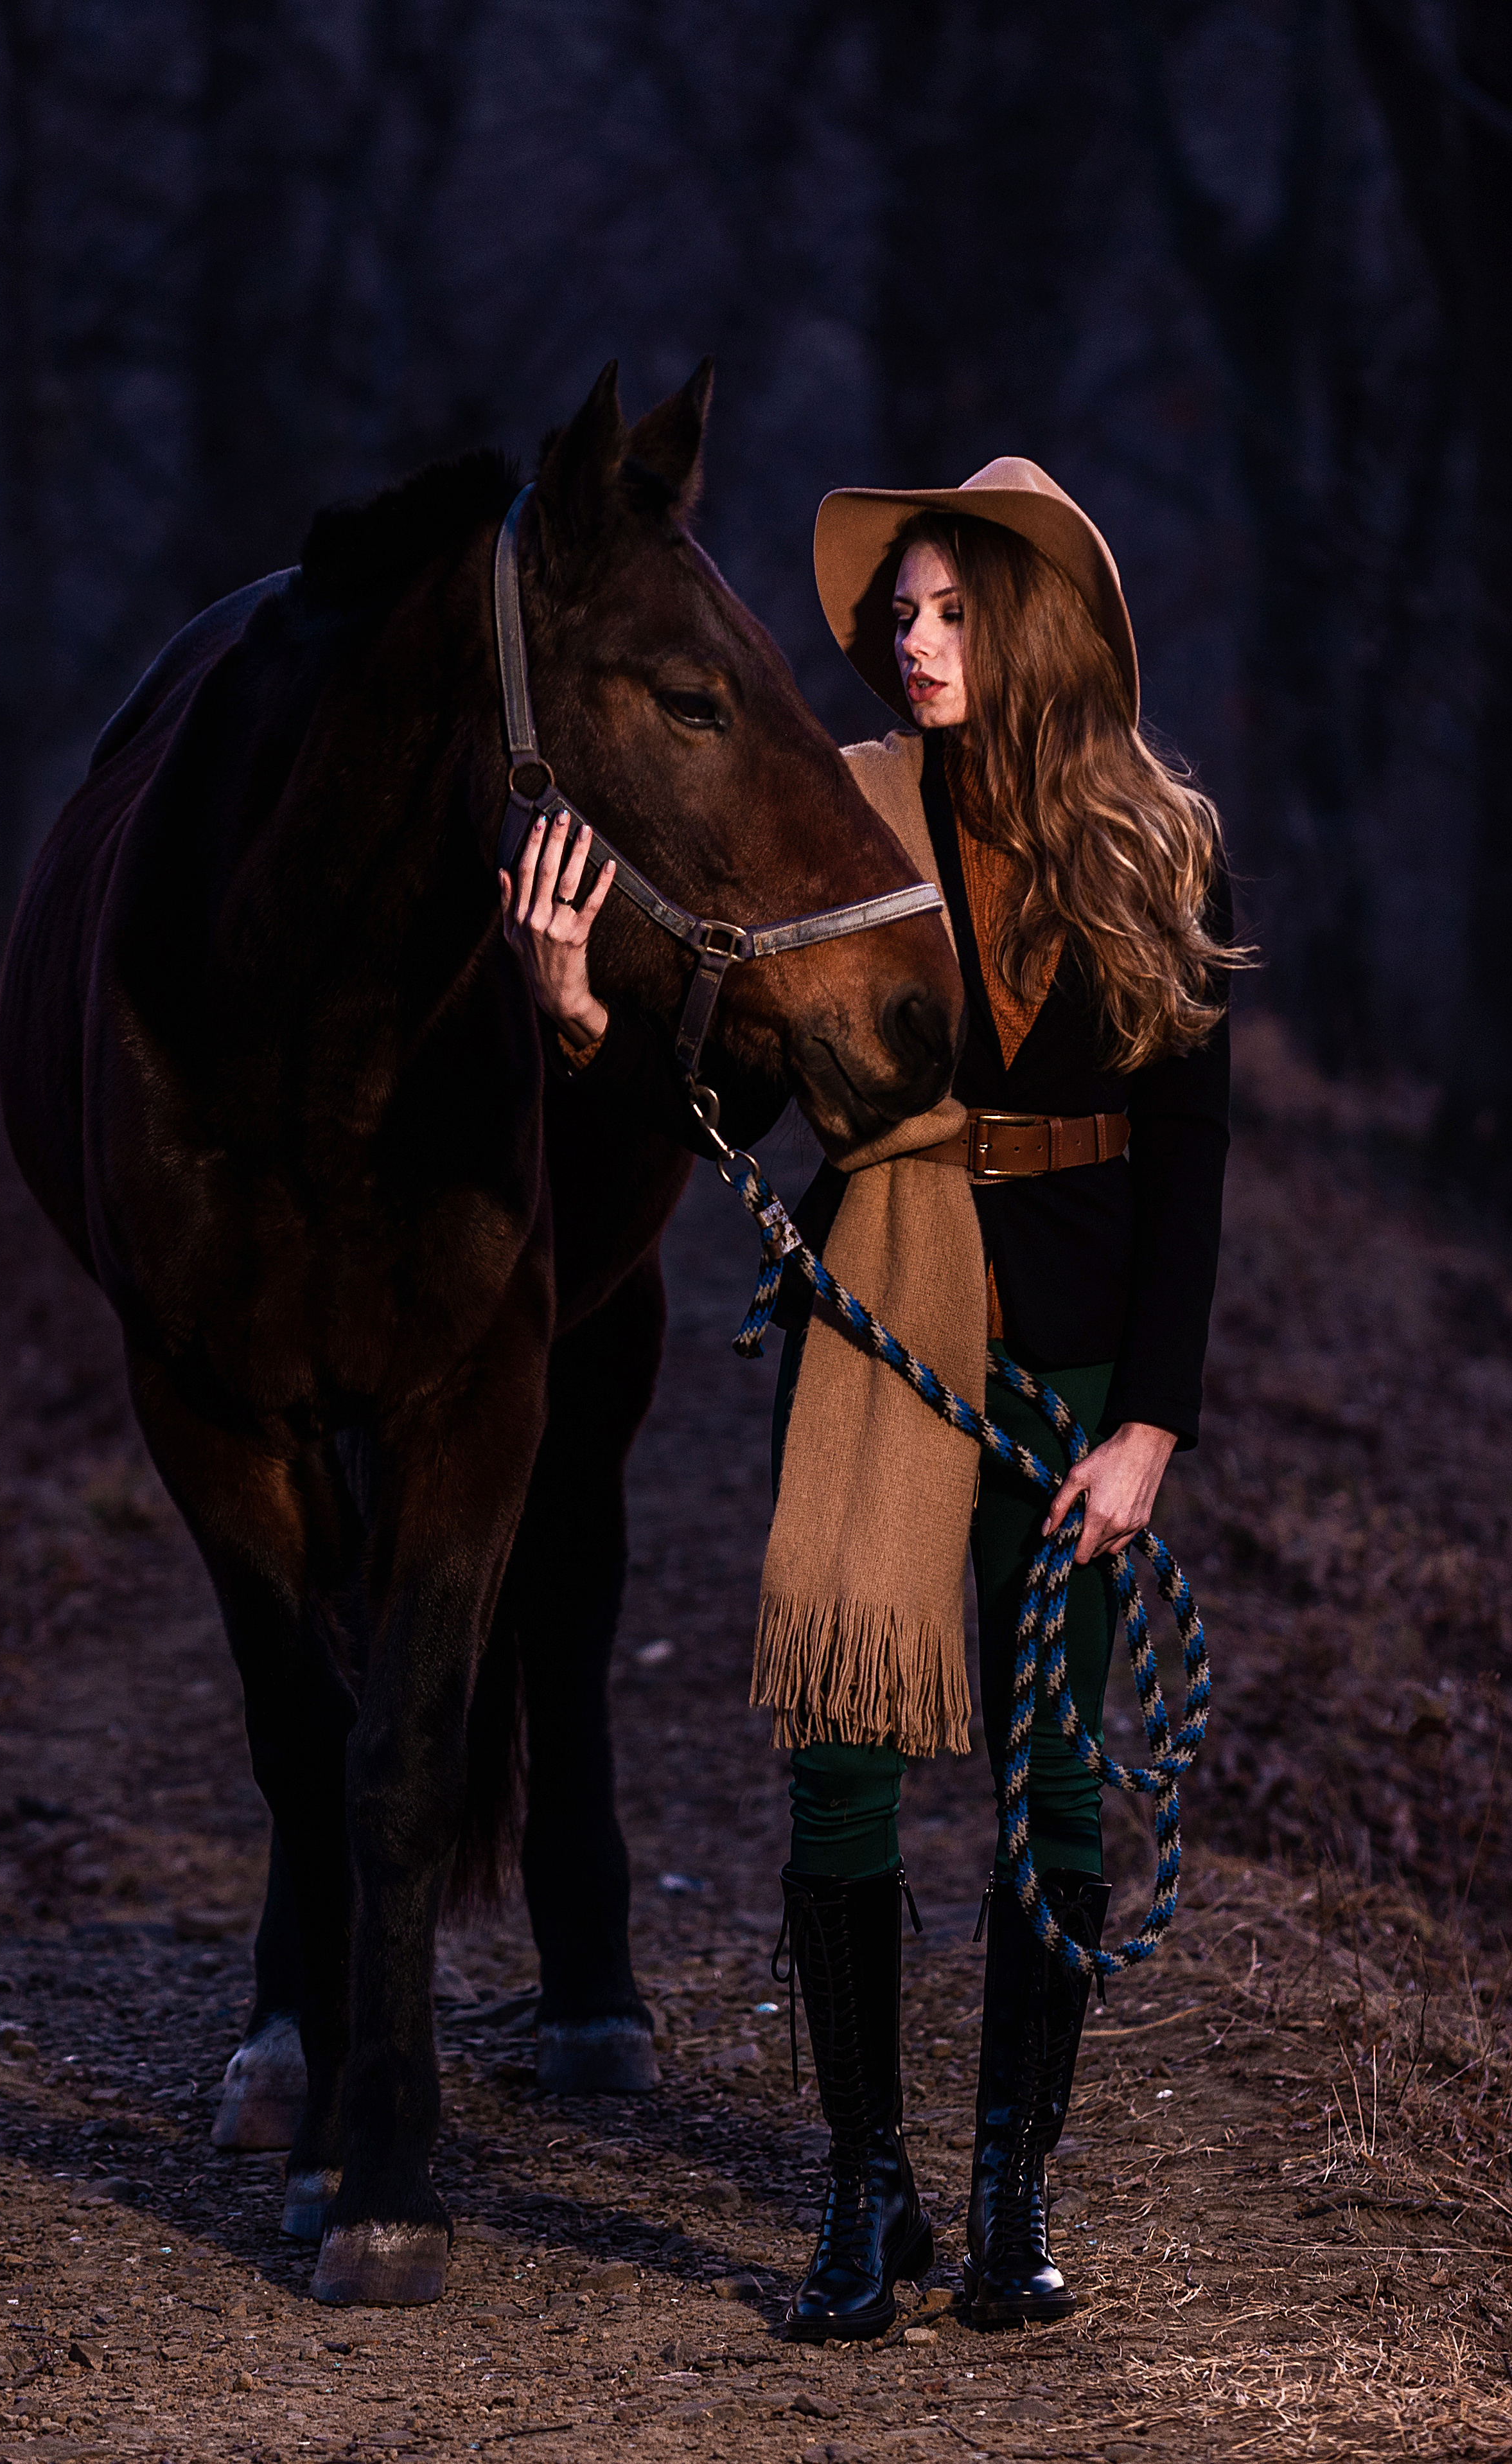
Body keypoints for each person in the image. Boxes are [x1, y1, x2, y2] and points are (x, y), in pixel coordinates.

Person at [502, 459, 1240, 2341]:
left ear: (1032, 619)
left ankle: (1012, 2185)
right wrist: (580, 1008)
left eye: (946, 611)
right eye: (897, 616)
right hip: (868, 1324)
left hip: (1069, 1353)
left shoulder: (1155, 836)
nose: (910, 644)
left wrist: (1149, 1424)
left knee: (1051, 1765)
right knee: (842, 1764)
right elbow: (732, 1099)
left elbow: (1190, 1150)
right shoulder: (834, 813)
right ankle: (864, 2187)